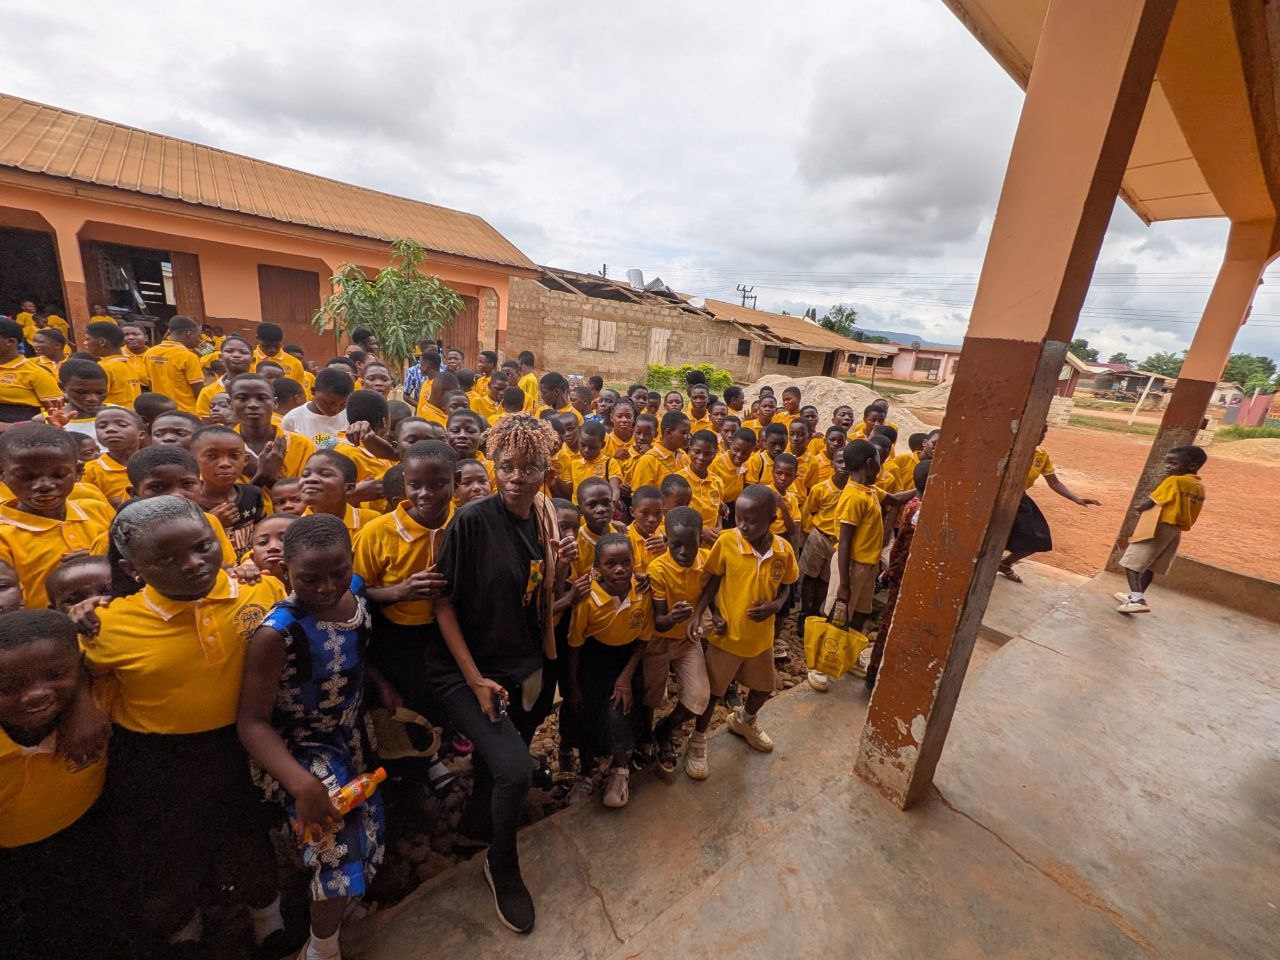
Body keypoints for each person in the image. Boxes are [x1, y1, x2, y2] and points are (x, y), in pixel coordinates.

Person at [74, 497, 289, 955]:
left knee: (249, 836)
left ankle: (268, 918)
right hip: (159, 759)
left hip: (244, 744)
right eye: (166, 559)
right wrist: (80, 709)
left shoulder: (259, 591)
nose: (192, 564)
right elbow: (80, 677)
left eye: (202, 546)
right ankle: (185, 930)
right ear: (132, 570)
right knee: (170, 852)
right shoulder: (108, 626)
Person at [427, 414, 574, 934]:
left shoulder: (545, 517)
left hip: (523, 660)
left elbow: (538, 590)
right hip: (467, 668)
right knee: (515, 769)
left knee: (518, 737)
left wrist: (563, 565)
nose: (515, 477)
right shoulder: (472, 521)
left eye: (528, 467)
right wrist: (473, 680)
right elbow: (442, 603)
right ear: (493, 466)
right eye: (506, 466)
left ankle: (474, 822)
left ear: (545, 472)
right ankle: (501, 863)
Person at [238, 514, 396, 960]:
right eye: (310, 578)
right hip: (303, 749)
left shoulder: (356, 592)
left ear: (351, 562)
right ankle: (321, 947)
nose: (327, 587)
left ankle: (342, 909)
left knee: (368, 821)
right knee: (335, 841)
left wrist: (379, 683)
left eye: (337, 573)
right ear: (284, 569)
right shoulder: (277, 633)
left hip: (354, 732)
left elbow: (356, 651)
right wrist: (301, 783)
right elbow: (252, 722)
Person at [0, 610, 124, 959]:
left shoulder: (101, 697)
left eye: (54, 676)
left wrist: (82, 697)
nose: (34, 695)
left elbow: (92, 655)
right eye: (8, 688)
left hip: (84, 836)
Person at [353, 439, 457, 784]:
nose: (426, 494)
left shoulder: (462, 523)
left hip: (446, 630)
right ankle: (413, 769)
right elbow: (354, 594)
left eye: (438, 484)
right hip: (395, 635)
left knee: (437, 695)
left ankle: (437, 752)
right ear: (404, 485)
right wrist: (400, 591)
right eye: (415, 485)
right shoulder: (377, 533)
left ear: (454, 481)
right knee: (401, 703)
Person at [686, 485, 797, 779]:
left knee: (763, 687)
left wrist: (775, 605)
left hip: (761, 638)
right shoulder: (727, 542)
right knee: (713, 693)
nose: (744, 526)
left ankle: (744, 720)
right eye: (739, 518)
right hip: (728, 637)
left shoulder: (783, 550)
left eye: (752, 521)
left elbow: (787, 585)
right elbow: (712, 581)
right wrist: (709, 613)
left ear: (772, 520)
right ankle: (698, 738)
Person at [566, 533, 651, 808]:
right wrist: (573, 685)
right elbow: (575, 646)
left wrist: (626, 677)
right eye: (610, 564)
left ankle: (620, 770)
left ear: (634, 563)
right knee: (587, 716)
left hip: (626, 662)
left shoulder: (642, 592)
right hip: (593, 663)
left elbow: (643, 639)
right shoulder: (588, 600)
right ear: (597, 568)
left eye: (626, 562)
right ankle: (585, 773)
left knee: (621, 713)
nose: (619, 569)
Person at [0, 424, 113, 609]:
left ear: (78, 471)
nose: (44, 485)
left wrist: (102, 556)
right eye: (26, 477)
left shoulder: (97, 509)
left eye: (58, 475)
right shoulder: (4, 536)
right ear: (2, 475)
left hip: (114, 618)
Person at [644, 506, 712, 775]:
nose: (683, 552)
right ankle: (644, 737)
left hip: (687, 641)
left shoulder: (706, 561)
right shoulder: (658, 568)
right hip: (659, 642)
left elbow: (714, 583)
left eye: (690, 545)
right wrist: (673, 617)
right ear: (667, 540)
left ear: (700, 540)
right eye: (676, 545)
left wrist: (702, 613)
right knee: (651, 697)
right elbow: (659, 621)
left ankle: (665, 729)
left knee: (699, 698)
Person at [999, 424, 1100, 583]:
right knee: (997, 535)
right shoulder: (1008, 449)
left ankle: (1005, 564)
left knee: (1038, 538)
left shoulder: (1041, 455)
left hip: (1020, 498)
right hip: (998, 496)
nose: (1042, 437)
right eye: (1039, 433)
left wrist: (1076, 498)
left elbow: (1054, 482)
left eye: (1044, 434)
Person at [1116, 445, 1207, 614]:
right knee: (1150, 566)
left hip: (1158, 526)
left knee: (1131, 563)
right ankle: (1134, 597)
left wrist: (1139, 508)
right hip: (1175, 531)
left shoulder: (1174, 481)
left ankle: (1137, 599)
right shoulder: (1198, 487)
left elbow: (1152, 501)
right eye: (1167, 463)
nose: (1168, 467)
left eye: (1173, 463)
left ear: (1192, 465)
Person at [191, 425, 265, 556]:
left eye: (234, 456)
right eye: (212, 456)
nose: (225, 463)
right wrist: (213, 523)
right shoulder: (189, 505)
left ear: (245, 460)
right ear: (193, 461)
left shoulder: (253, 494)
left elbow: (263, 536)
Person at [798, 441, 850, 617]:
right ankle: (804, 611)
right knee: (809, 577)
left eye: (847, 462)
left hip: (839, 543)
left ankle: (815, 611)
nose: (844, 466)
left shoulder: (853, 491)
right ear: (832, 463)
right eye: (839, 461)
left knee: (825, 580)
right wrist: (807, 534)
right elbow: (811, 511)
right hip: (819, 537)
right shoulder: (820, 489)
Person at [0, 317, 62, 426]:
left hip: (20, 432)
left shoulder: (36, 373)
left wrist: (11, 426)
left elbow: (58, 414)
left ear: (10, 341)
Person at [300, 450, 379, 533]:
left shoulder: (371, 520)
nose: (310, 479)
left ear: (349, 488)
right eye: (305, 474)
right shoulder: (295, 528)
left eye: (325, 474)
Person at [143, 315, 205, 414]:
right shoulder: (188, 356)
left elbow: (151, 384)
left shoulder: (149, 353)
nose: (199, 340)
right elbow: (199, 391)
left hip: (161, 412)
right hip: (186, 413)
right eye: (198, 336)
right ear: (188, 333)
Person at [83, 406, 142, 507]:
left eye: (122, 425)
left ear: (141, 434)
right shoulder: (88, 471)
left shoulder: (156, 464)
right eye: (102, 426)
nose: (110, 429)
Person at [281, 366, 353, 449]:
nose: (335, 409)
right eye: (328, 403)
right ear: (313, 391)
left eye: (342, 405)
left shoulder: (350, 417)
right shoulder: (292, 420)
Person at [82, 320, 141, 407]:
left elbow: (94, 401)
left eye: (87, 339)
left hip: (112, 414)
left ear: (102, 342)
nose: (85, 343)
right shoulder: (129, 364)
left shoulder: (103, 368)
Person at [631, 411, 690, 491]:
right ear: (668, 433)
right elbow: (640, 495)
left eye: (688, 433)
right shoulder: (648, 461)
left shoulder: (683, 456)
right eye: (684, 433)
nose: (688, 437)